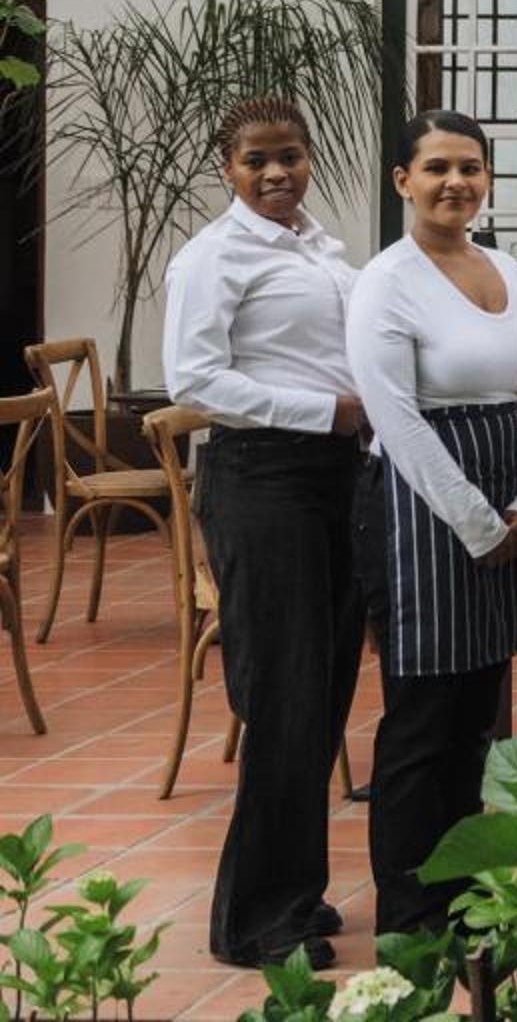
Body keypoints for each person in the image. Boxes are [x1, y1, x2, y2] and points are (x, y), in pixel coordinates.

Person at [159, 95, 361, 969]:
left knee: (325, 689)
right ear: (228, 170)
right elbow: (194, 379)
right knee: (284, 691)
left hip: (336, 476)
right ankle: (256, 921)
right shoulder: (213, 257)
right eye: (257, 161)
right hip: (263, 478)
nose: (277, 173)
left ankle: (296, 891)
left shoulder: (319, 247)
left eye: (290, 156)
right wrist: (325, 411)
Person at [347, 110, 517, 935]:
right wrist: (477, 523)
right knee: (422, 720)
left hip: (507, 505)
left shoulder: (511, 269)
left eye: (470, 167)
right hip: (422, 512)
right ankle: (410, 910)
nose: (455, 182)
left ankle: (465, 894)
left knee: (476, 718)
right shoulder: (385, 282)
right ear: (404, 181)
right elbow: (396, 420)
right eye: (436, 168)